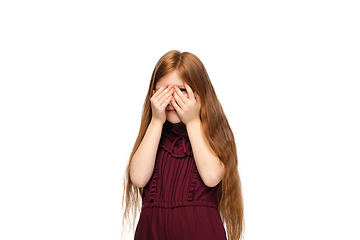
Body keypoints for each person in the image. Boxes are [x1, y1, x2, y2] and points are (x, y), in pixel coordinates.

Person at [122, 50, 244, 240]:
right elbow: (138, 177)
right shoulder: (153, 137)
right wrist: (155, 121)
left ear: (200, 94)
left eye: (181, 91)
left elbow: (212, 176)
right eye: (164, 91)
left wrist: (193, 122)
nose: (172, 100)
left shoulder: (212, 135)